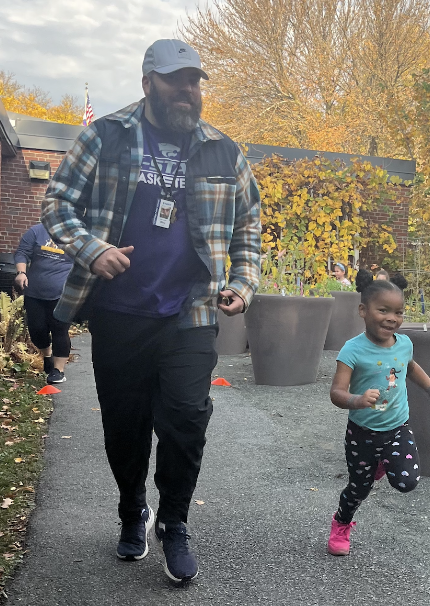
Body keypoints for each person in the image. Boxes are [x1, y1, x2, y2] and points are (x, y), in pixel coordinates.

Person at [41, 39, 261, 584]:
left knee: (187, 419)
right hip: (120, 312)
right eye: (174, 79)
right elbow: (57, 202)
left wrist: (242, 283)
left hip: (191, 312)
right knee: (125, 426)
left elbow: (248, 227)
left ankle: (174, 522)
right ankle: (132, 508)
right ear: (147, 83)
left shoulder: (223, 151)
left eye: (194, 80)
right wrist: (92, 249)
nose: (187, 90)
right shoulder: (106, 136)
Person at [327, 269, 430, 556]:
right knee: (359, 489)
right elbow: (336, 392)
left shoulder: (404, 343)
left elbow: (410, 367)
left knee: (407, 481)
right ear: (363, 310)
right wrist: (358, 400)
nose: (392, 318)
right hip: (361, 434)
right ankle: (341, 523)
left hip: (397, 427)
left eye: (398, 312)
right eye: (383, 310)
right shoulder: (352, 350)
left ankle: (385, 462)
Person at [13, 223, 73, 384]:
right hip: (34, 292)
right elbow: (22, 252)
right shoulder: (37, 231)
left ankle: (58, 370)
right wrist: (21, 273)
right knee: (37, 329)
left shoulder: (76, 234)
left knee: (60, 329)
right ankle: (47, 354)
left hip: (63, 294)